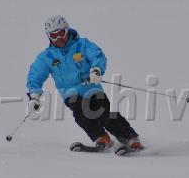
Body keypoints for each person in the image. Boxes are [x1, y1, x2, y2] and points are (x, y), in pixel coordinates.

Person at [26, 15, 143, 151]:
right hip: (70, 93)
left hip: (92, 88)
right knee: (81, 114)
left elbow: (97, 55)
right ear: (49, 37)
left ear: (67, 31)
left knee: (104, 113)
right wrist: (34, 96)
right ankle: (102, 138)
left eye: (61, 33)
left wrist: (96, 69)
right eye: (54, 36)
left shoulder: (82, 45)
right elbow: (36, 75)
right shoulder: (47, 57)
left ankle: (130, 139)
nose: (58, 38)